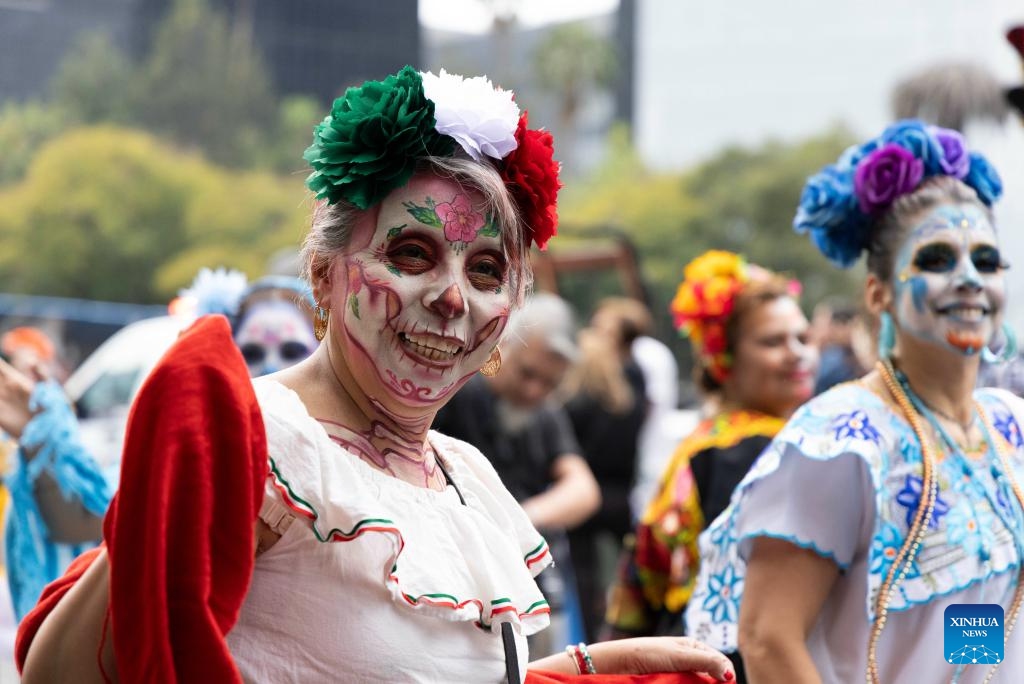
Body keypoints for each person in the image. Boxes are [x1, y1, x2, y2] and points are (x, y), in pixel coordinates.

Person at [16, 67, 734, 683]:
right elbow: (69, 673)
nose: (453, 297)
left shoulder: (465, 475)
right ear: (325, 276)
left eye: (486, 270)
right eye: (413, 253)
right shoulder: (264, 442)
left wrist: (566, 671)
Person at [686, 120, 1024, 682]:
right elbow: (768, 639)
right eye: (938, 259)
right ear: (879, 292)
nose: (969, 279)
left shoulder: (1010, 427)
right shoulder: (842, 438)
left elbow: (977, 619)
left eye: (986, 262)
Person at [603, 252, 817, 665]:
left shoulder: (708, 442)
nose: (797, 354)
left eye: (803, 338)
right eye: (773, 341)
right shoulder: (752, 451)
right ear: (725, 358)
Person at [433, 291, 602, 655]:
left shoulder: (545, 414)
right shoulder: (454, 392)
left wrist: (521, 520)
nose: (535, 390)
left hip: (524, 584)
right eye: (527, 373)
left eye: (549, 384)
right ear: (502, 345)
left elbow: (583, 489)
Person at [562, 297, 650, 641]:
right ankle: (629, 634)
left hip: (591, 490)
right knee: (630, 567)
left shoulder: (582, 393)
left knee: (585, 574)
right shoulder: (636, 381)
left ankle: (591, 639)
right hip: (618, 489)